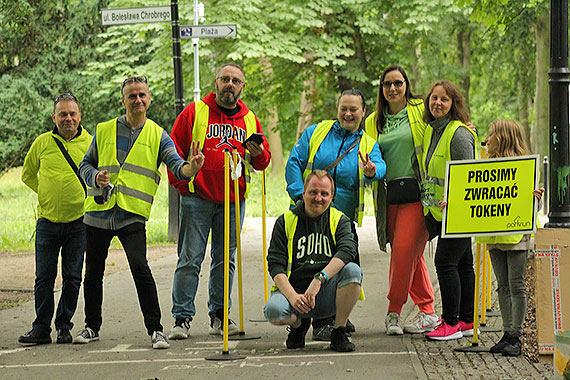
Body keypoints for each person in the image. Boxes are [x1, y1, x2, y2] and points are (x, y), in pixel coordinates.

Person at [76, 76, 204, 349]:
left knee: (140, 268)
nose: (138, 100)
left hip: (131, 214)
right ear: (123, 100)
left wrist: (192, 168)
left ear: (149, 99)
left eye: (142, 95)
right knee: (94, 273)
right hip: (98, 212)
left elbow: (177, 166)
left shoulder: (158, 135)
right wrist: (94, 176)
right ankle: (91, 326)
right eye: (132, 96)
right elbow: (84, 165)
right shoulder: (105, 129)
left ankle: (155, 330)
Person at [168, 63, 271, 339]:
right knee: (189, 258)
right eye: (225, 79)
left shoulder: (249, 119)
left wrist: (259, 153)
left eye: (235, 80)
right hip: (197, 198)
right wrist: (183, 183)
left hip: (233, 201)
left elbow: (262, 161)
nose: (230, 84)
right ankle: (182, 318)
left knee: (225, 260)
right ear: (216, 82)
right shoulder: (195, 112)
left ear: (242, 87)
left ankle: (219, 316)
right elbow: (172, 151)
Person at [285, 88, 386, 340]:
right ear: (337, 109)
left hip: (341, 221)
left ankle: (332, 318)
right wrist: (300, 197)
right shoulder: (316, 132)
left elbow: (380, 166)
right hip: (309, 216)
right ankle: (309, 319)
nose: (348, 113)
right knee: (311, 265)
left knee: (343, 269)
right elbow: (294, 162)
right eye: (344, 108)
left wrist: (372, 171)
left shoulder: (367, 144)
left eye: (354, 109)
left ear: (364, 112)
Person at [364, 65, 438, 335]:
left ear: (406, 84)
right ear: (381, 89)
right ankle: (428, 311)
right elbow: (369, 156)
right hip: (389, 195)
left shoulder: (420, 109)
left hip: (419, 193)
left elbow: (443, 124)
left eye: (398, 83)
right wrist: (369, 171)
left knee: (404, 250)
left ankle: (394, 311)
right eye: (387, 84)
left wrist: (463, 128)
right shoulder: (373, 120)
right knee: (409, 255)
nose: (392, 89)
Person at [18, 93, 92, 345]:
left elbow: (100, 177)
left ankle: (64, 326)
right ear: (54, 117)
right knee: (44, 278)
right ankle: (40, 328)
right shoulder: (42, 143)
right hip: (47, 222)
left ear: (79, 116)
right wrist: (47, 194)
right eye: (63, 114)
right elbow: (28, 175)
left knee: (72, 277)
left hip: (79, 222)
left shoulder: (91, 143)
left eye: (72, 114)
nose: (68, 118)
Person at [264, 170, 362, 352]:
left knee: (353, 271)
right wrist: (293, 297)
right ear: (303, 193)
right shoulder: (285, 221)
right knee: (273, 311)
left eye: (324, 193)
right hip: (294, 293)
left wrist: (320, 278)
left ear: (332, 196)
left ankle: (338, 330)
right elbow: (275, 263)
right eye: (313, 192)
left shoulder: (340, 220)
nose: (318, 198)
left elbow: (348, 250)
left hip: (325, 293)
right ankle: (298, 325)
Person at [477, 120, 543, 356]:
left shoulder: (524, 167)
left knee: (516, 285)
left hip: (516, 237)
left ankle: (516, 335)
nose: (487, 139)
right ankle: (506, 333)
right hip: (495, 236)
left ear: (503, 137)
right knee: (502, 286)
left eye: (491, 134)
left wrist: (536, 198)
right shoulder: (485, 166)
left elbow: (532, 203)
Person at [421, 80, 478, 341]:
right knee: (464, 264)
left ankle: (451, 323)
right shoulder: (432, 130)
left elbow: (468, 176)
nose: (438, 103)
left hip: (458, 214)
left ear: (454, 103)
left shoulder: (459, 133)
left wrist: (456, 204)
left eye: (444, 99)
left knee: (444, 262)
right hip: (440, 214)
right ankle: (467, 320)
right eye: (434, 98)